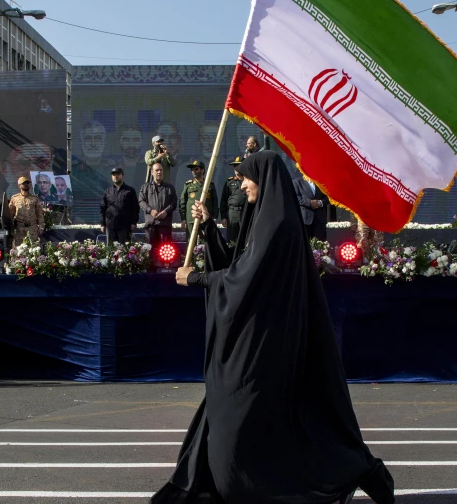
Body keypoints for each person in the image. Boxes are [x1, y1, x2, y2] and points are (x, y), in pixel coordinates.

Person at [154, 151, 395, 504]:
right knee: (261, 421)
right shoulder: (266, 219)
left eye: (247, 176)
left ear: (264, 179)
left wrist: (198, 278)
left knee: (245, 416)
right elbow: (240, 265)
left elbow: (244, 278)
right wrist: (207, 228)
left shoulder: (278, 223)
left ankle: (354, 469)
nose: (242, 183)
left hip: (266, 344)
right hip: (261, 339)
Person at [139, 163, 177, 251]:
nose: (159, 172)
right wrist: (150, 210)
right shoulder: (145, 187)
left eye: (161, 170)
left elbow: (174, 203)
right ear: (152, 172)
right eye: (157, 170)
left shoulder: (169, 188)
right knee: (150, 252)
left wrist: (166, 211)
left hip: (165, 225)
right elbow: (141, 201)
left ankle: (164, 265)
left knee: (165, 251)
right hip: (151, 225)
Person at [100, 167, 139, 245]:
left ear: (122, 176)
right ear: (112, 177)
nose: (116, 176)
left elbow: (135, 207)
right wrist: (102, 224)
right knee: (111, 251)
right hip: (111, 226)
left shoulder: (130, 191)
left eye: (118, 174)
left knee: (124, 251)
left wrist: (134, 222)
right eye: (114, 174)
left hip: (125, 226)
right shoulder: (107, 191)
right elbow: (103, 208)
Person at [6, 176, 44, 249]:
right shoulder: (15, 198)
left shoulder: (34, 198)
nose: (26, 185)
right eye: (24, 183)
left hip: (32, 228)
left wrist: (41, 226)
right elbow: (10, 214)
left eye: (27, 183)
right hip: (19, 229)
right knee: (19, 250)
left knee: (33, 250)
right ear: (19, 186)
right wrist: (10, 228)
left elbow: (39, 214)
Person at [179, 160, 218, 229]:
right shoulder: (188, 185)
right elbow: (182, 203)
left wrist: (214, 218)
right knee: (191, 239)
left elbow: (215, 203)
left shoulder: (209, 185)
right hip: (191, 219)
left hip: (206, 219)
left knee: (206, 239)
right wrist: (183, 219)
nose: (193, 171)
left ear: (202, 170)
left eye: (196, 169)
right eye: (192, 169)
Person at [294, 176, 329, 241]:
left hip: (319, 219)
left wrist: (319, 203)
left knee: (320, 243)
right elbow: (296, 198)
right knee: (305, 242)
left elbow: (328, 197)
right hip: (305, 220)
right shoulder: (297, 182)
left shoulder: (321, 182)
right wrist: (309, 202)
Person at [220, 157, 246, 244]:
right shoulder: (229, 182)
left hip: (246, 212)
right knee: (232, 239)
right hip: (232, 213)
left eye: (238, 165)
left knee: (245, 237)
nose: (236, 168)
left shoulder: (250, 181)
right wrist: (223, 216)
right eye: (234, 166)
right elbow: (223, 200)